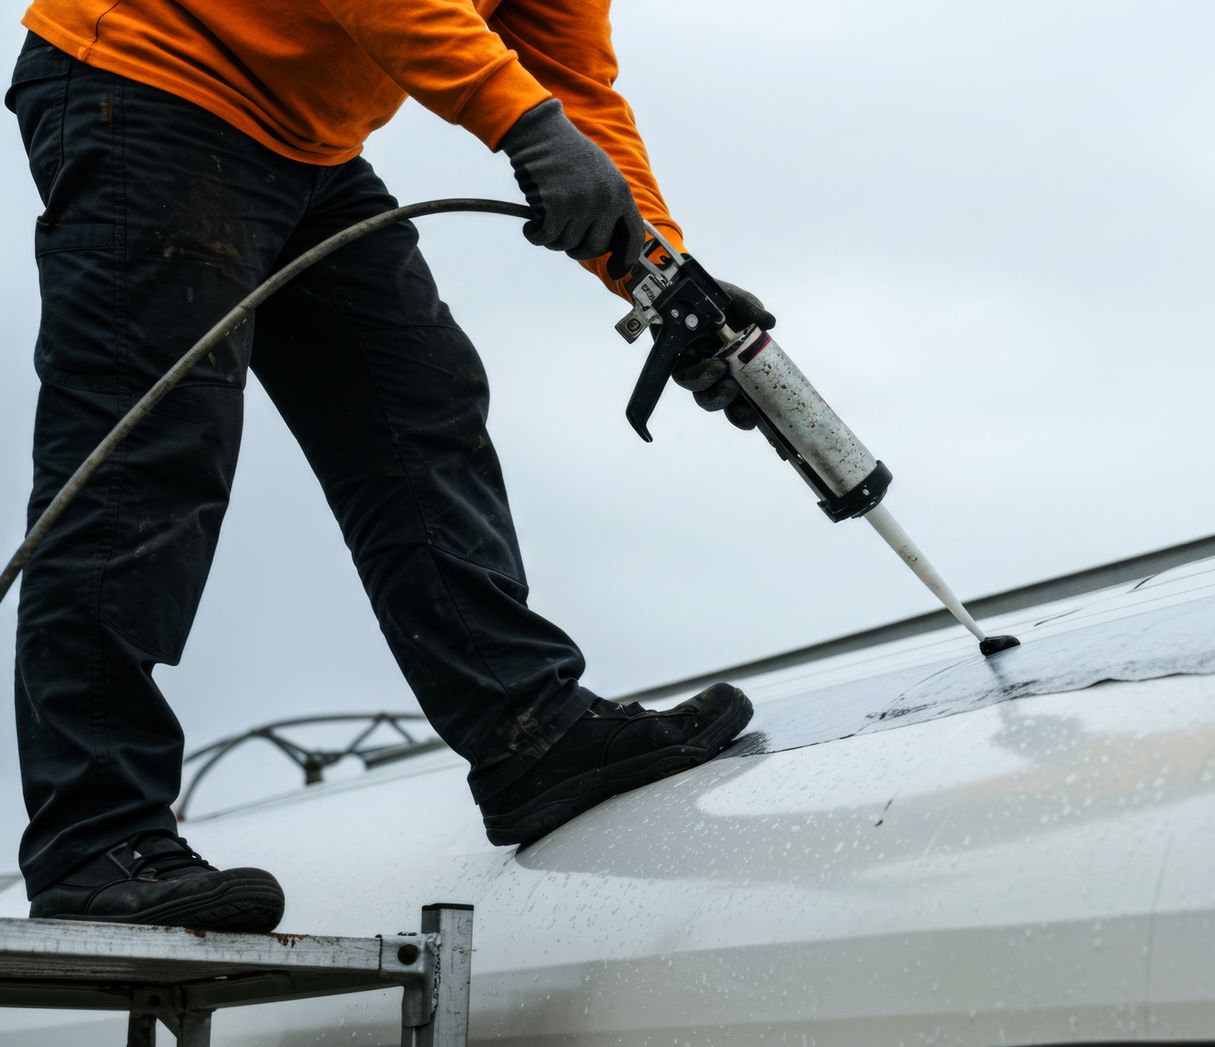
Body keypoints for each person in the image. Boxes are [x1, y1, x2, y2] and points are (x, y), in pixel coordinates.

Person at [6, 0, 762, 934]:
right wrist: (524, 125)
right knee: (149, 455)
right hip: (152, 74)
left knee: (422, 403)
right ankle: (94, 837)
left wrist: (662, 273)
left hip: (305, 141)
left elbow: (575, 90)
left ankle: (531, 736)